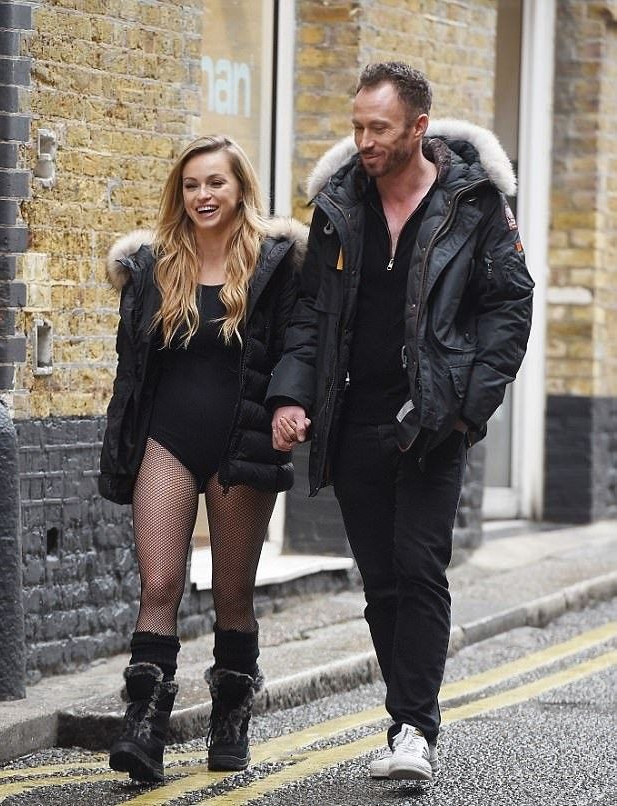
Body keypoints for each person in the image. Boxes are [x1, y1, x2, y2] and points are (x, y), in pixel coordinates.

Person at [267, 62, 533, 782]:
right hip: (353, 420)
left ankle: (413, 726)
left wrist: (468, 409)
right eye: (357, 126)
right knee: (381, 581)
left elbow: (510, 306)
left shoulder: (474, 203)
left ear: (419, 126)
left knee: (419, 568)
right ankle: (407, 716)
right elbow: (311, 314)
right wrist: (291, 397)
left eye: (378, 128)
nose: (364, 141)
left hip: (433, 422)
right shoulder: (338, 206)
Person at [99, 134, 306, 783]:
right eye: (191, 185)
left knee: (232, 594)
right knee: (159, 584)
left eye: (215, 182)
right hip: (166, 441)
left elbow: (298, 346)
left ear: (240, 188)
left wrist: (290, 405)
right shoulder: (153, 266)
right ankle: (143, 727)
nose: (203, 195)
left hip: (240, 444)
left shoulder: (275, 264)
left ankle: (230, 719)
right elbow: (133, 369)